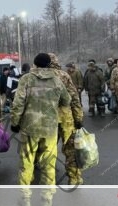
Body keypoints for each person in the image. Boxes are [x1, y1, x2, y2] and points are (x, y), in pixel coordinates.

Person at [11, 53, 71, 206]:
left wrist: (15, 122)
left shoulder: (26, 79)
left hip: (30, 128)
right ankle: (46, 201)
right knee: (48, 164)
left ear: (35, 64)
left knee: (26, 163)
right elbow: (67, 100)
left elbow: (18, 103)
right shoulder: (57, 80)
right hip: (50, 129)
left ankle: (25, 199)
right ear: (49, 64)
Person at [50, 54, 84, 185]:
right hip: (65, 118)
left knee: (47, 149)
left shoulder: (35, 77)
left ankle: (49, 179)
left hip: (46, 120)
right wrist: (79, 117)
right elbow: (74, 98)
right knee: (70, 150)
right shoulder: (64, 75)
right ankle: (74, 178)